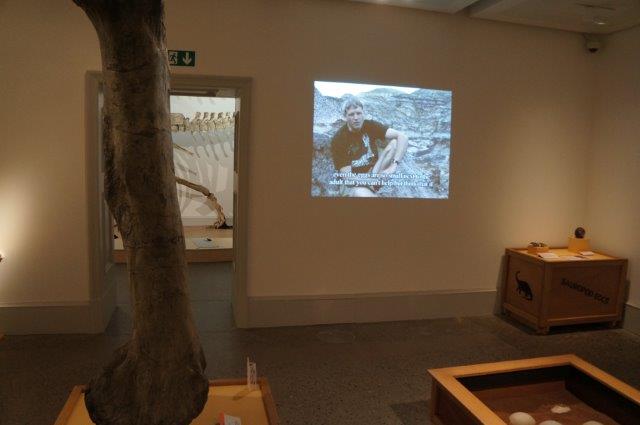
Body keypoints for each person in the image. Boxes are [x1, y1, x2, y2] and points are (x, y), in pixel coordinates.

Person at [330, 95, 409, 197]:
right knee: (364, 195)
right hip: (354, 183)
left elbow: (402, 137)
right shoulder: (339, 139)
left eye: (359, 113)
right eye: (351, 114)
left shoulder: (370, 125)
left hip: (373, 172)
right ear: (345, 117)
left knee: (394, 142)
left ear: (363, 114)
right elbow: (348, 178)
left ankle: (375, 187)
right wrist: (371, 181)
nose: (356, 118)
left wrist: (393, 166)